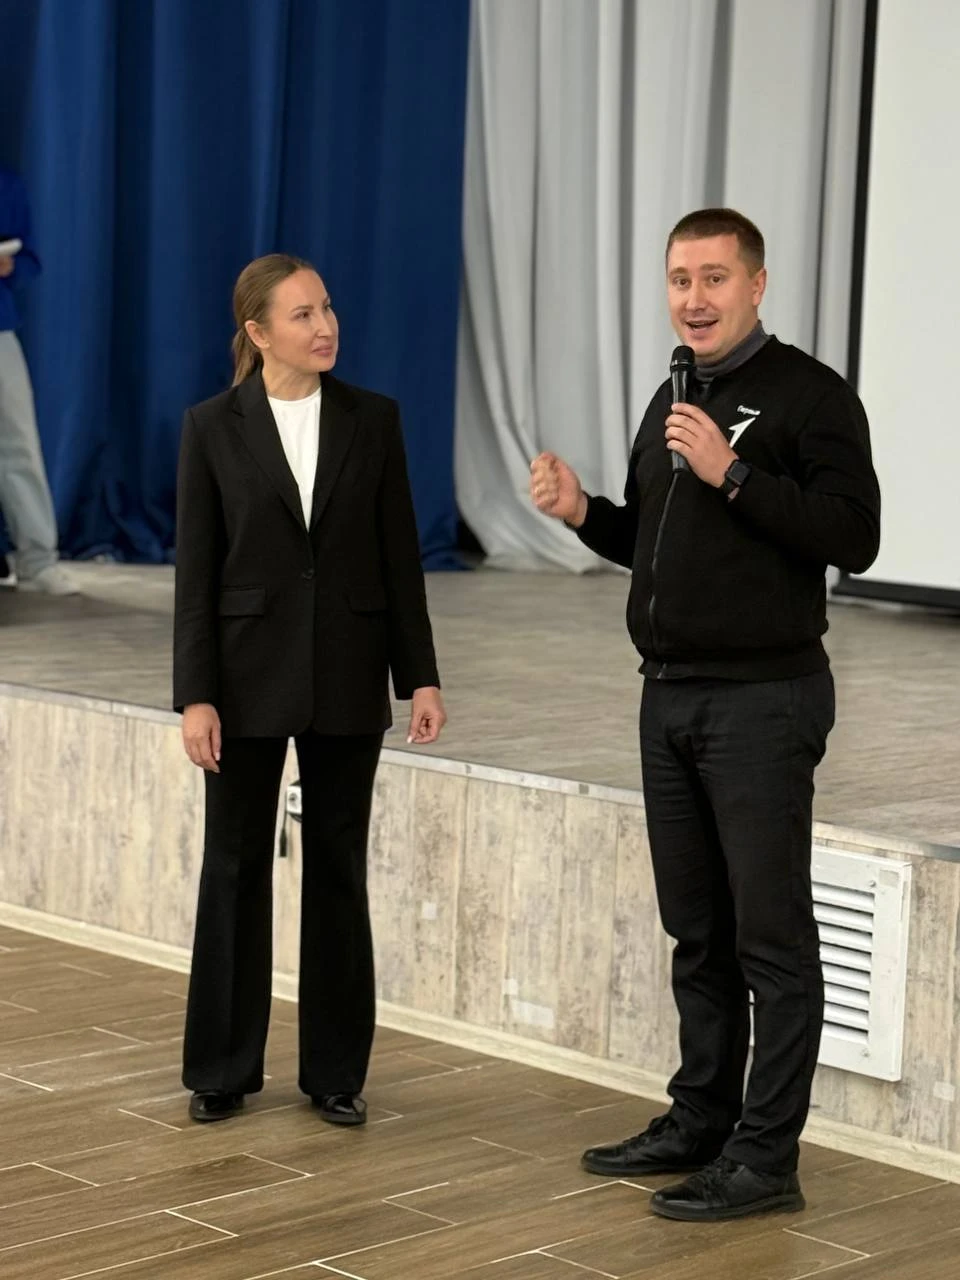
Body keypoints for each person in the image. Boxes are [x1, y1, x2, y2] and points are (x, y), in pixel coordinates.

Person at [530, 208, 880, 1222]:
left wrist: (735, 475)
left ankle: (766, 1159)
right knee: (698, 931)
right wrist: (582, 512)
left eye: (715, 277)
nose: (694, 298)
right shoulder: (673, 395)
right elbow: (651, 537)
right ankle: (701, 1117)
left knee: (772, 939)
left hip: (763, 700)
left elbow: (855, 537)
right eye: (680, 278)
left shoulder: (812, 396)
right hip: (669, 694)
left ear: (756, 285)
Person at [174, 252, 446, 1126]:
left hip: (349, 674)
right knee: (233, 868)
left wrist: (420, 676)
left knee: (337, 869)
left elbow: (400, 559)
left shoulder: (375, 419)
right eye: (303, 314)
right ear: (258, 332)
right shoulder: (210, 427)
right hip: (242, 678)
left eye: (327, 308)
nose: (325, 326)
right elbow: (196, 576)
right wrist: (196, 695)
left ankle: (335, 1073)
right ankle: (221, 1068)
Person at [0, 165, 78, 595]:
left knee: (17, 444)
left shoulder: (7, 184)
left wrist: (10, 265)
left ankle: (37, 561)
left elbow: (29, 260)